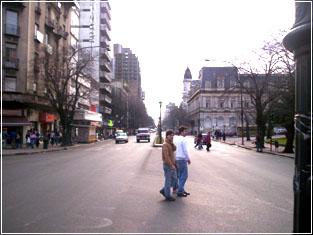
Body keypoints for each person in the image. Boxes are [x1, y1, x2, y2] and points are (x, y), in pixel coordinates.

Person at [159, 129, 177, 201]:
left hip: (172, 164)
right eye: (171, 135)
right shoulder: (165, 145)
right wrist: (171, 165)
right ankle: (167, 196)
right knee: (168, 180)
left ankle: (164, 190)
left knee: (175, 179)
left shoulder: (170, 144)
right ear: (167, 136)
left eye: (173, 135)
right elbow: (166, 157)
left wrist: (172, 143)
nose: (172, 137)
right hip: (168, 165)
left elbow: (175, 148)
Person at [174, 126, 191, 197]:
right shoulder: (183, 140)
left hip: (176, 159)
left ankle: (181, 189)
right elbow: (185, 150)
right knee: (184, 176)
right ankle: (180, 191)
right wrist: (188, 158)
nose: (186, 132)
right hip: (182, 159)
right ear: (181, 132)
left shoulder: (176, 139)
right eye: (185, 131)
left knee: (180, 175)